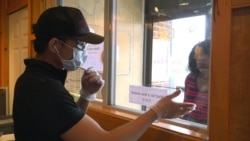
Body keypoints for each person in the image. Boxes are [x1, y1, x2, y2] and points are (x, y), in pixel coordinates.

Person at [13, 6, 196, 141]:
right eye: (79, 44)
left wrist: (86, 95)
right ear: (55, 45)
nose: (84, 51)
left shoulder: (35, 79)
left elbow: (65, 123)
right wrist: (157, 112)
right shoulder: (43, 88)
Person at [182, 39, 210, 124]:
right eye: (201, 67)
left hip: (214, 124)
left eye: (208, 67)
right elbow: (186, 105)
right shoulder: (190, 78)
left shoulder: (222, 81)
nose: (205, 71)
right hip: (191, 122)